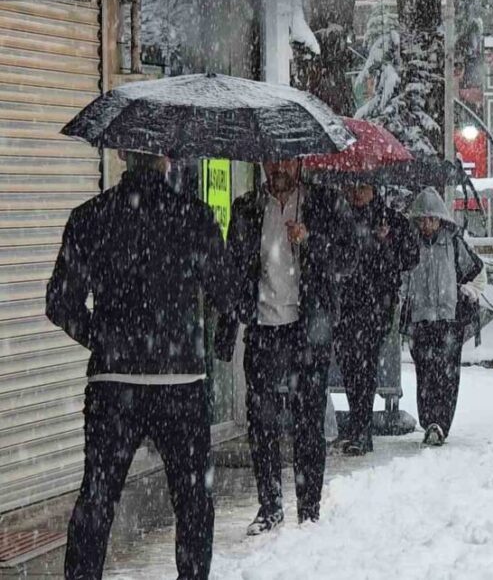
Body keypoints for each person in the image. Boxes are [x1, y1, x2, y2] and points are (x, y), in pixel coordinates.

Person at [47, 151, 230, 580]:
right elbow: (228, 293)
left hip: (114, 384)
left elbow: (60, 302)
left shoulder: (90, 216)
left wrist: (105, 340)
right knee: (193, 503)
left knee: (97, 498)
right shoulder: (195, 218)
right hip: (180, 383)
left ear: (123, 155)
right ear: (167, 159)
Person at [217, 158, 354, 535]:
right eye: (271, 159)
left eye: (286, 160)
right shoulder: (246, 209)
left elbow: (350, 257)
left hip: (306, 327)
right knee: (261, 422)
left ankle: (308, 508)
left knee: (308, 419)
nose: (278, 168)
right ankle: (269, 506)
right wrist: (227, 329)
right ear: (261, 163)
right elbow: (232, 272)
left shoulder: (324, 203)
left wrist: (311, 239)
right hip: (263, 327)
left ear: (299, 162)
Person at [334, 182, 419, 455]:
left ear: (374, 189)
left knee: (365, 364)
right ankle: (358, 426)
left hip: (376, 305)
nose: (356, 193)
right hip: (345, 302)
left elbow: (410, 257)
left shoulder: (390, 220)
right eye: (352, 187)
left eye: (363, 188)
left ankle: (362, 429)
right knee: (349, 365)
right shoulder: (341, 218)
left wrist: (388, 241)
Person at [404, 188, 485, 446]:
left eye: (431, 219)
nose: (426, 224)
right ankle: (429, 422)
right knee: (425, 375)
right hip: (420, 320)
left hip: (449, 320)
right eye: (422, 219)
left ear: (440, 219)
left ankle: (441, 424)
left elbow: (477, 272)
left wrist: (469, 290)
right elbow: (402, 277)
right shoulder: (410, 245)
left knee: (447, 376)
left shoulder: (453, 243)